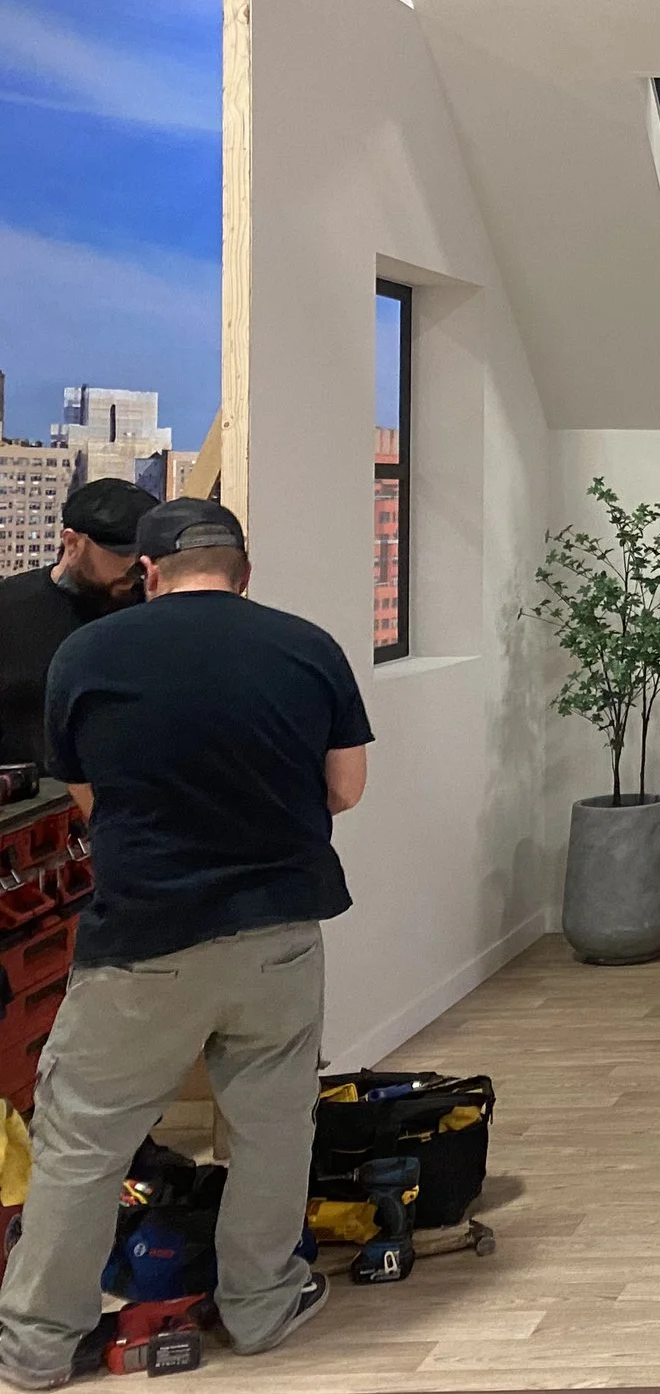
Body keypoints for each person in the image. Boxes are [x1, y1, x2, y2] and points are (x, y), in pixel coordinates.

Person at [0, 499, 370, 1390]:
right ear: (245, 570)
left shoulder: (86, 655)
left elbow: (85, 795)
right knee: (273, 1123)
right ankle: (263, 1303)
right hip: (277, 930)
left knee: (85, 1137)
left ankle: (40, 1345)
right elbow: (347, 789)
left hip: (144, 940)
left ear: (152, 573)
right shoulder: (307, 645)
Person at [0, 480, 158, 771]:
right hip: (33, 804)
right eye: (123, 553)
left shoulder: (153, 613)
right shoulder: (9, 609)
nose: (135, 570)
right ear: (72, 543)